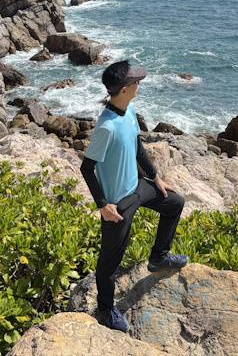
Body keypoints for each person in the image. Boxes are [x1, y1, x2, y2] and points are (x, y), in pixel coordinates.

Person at [80, 59, 188, 333]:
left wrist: (155, 177)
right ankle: (105, 309)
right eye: (136, 82)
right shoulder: (106, 127)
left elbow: (137, 146)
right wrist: (103, 205)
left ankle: (159, 258)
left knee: (175, 202)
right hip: (118, 202)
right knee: (109, 263)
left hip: (138, 186)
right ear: (125, 88)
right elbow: (87, 168)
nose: (139, 85)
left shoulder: (128, 112)